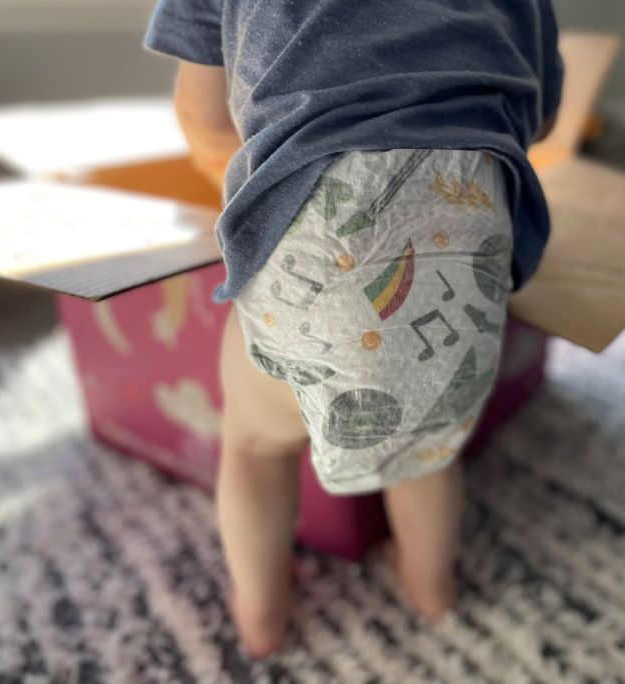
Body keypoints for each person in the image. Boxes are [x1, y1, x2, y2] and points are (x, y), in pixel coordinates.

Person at [145, 0, 562, 658]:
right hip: (468, 225)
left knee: (254, 443)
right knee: (427, 448)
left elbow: (201, 113)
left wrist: (243, 183)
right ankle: (431, 587)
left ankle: (260, 617)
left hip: (314, 210)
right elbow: (542, 116)